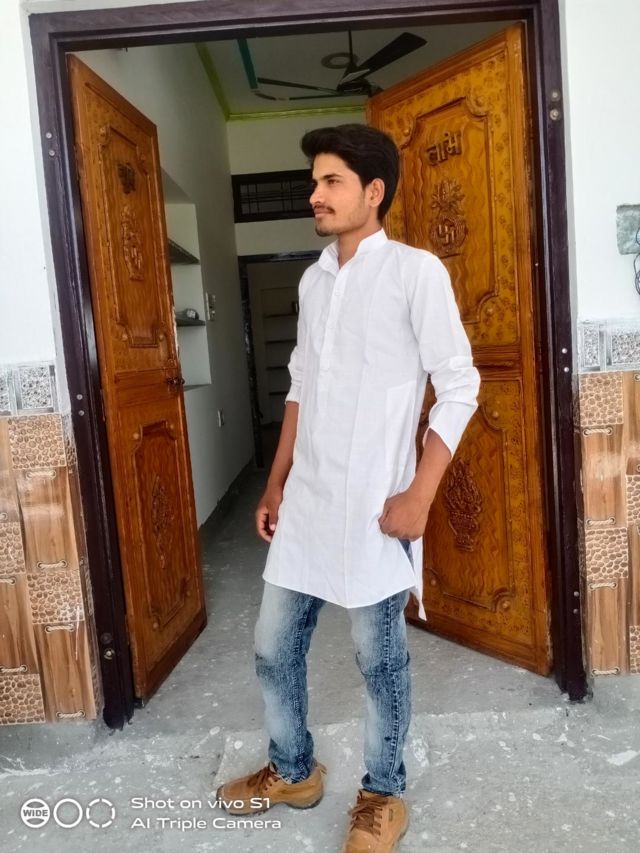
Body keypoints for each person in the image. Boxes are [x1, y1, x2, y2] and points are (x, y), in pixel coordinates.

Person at [216, 124, 480, 852]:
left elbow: (460, 385)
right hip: (308, 501)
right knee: (273, 647)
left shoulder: (415, 272)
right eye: (315, 182)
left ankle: (383, 793)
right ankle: (293, 770)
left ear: (374, 191)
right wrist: (275, 483)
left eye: (331, 181)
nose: (315, 194)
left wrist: (420, 494)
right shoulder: (314, 280)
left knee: (379, 659)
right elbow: (300, 387)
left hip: (374, 505)